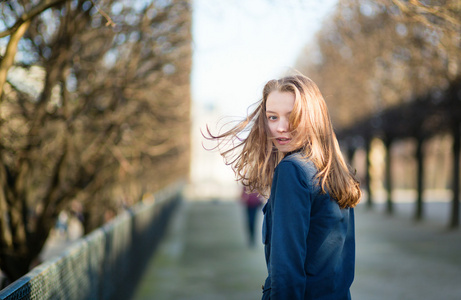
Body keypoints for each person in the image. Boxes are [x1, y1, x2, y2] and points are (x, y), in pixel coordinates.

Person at [204, 73, 361, 299]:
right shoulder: (333, 172)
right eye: (272, 117)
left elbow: (287, 275)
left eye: (292, 116)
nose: (280, 127)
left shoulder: (292, 171)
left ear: (313, 118)